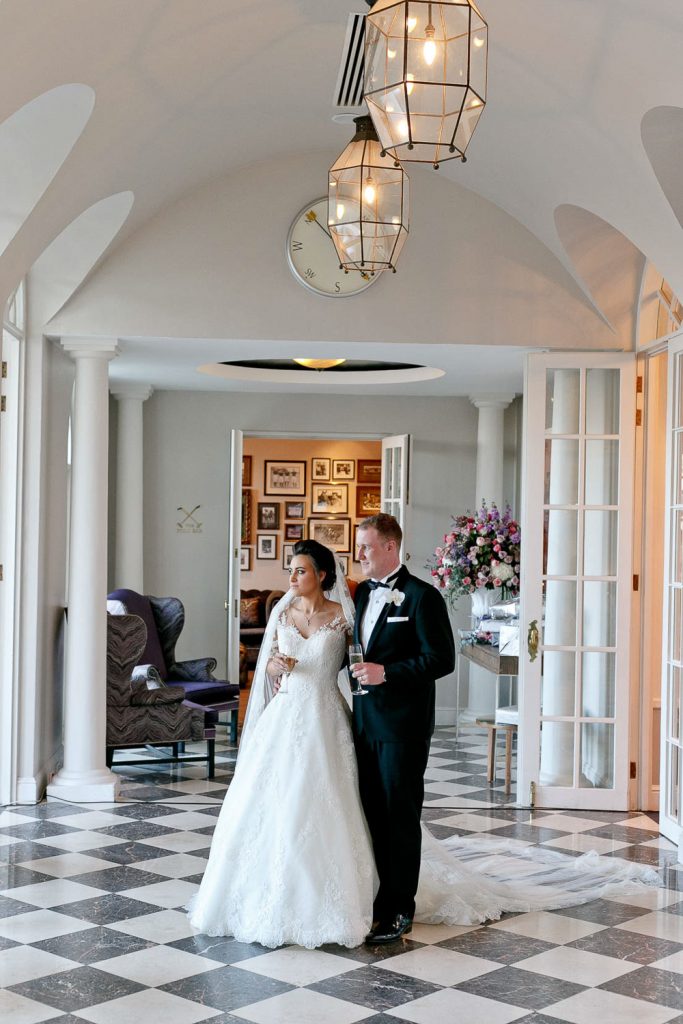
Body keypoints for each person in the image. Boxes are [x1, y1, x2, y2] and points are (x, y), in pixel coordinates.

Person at [187, 538, 659, 950]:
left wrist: (382, 673)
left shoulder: (358, 610)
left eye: (367, 547)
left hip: (337, 719)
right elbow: (269, 662)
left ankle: (386, 906)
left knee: (361, 807)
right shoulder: (302, 609)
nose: (293, 576)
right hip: (298, 721)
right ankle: (289, 894)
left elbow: (409, 657)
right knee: (304, 806)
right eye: (290, 569)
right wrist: (273, 670)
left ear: (323, 574)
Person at [350, 513, 455, 944]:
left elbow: (441, 660)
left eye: (367, 547)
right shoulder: (357, 596)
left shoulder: (422, 597)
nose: (360, 555)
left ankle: (399, 910)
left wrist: (387, 673)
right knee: (372, 814)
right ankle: (379, 899)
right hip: (361, 723)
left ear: (390, 547)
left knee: (399, 816)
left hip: (403, 726)